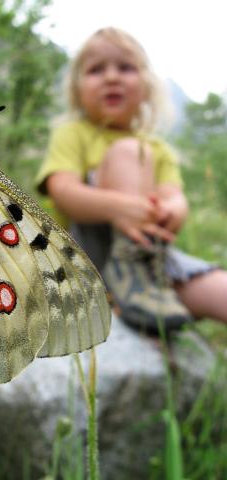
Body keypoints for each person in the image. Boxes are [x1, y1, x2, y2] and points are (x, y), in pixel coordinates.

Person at [36, 27, 227, 334]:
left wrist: (171, 211)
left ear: (147, 87)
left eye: (125, 68)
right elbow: (62, 191)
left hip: (153, 261)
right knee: (129, 151)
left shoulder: (159, 149)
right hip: (86, 257)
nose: (112, 77)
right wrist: (119, 207)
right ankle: (125, 280)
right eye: (97, 69)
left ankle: (139, 281)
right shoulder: (73, 134)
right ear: (77, 89)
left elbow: (174, 197)